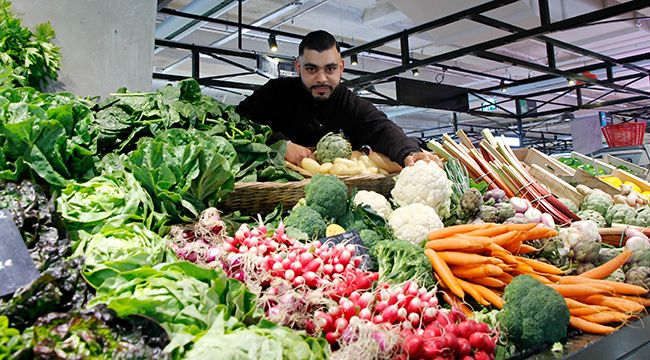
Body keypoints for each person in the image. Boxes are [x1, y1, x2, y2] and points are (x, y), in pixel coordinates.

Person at [236, 30, 440, 167]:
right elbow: (239, 120)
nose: (321, 78)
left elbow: (381, 128)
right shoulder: (275, 92)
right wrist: (281, 144)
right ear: (298, 67)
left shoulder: (349, 104)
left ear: (341, 67)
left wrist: (409, 153)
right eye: (311, 69)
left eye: (330, 68)